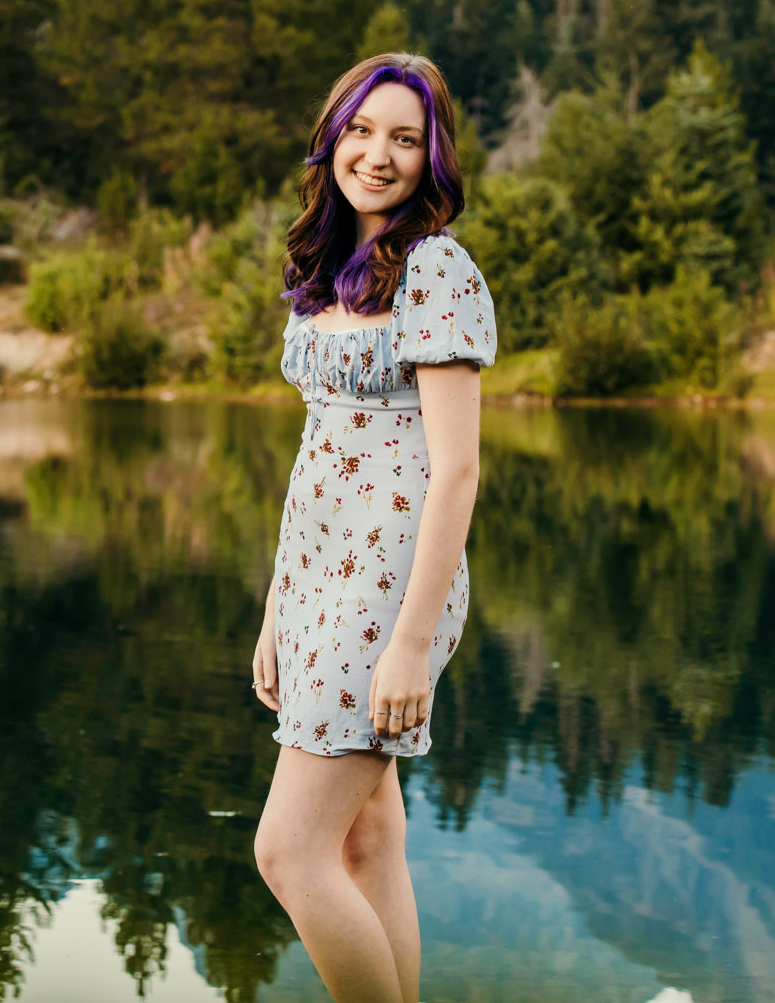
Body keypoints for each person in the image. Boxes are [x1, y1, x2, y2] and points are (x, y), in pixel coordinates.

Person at [250, 52, 497, 1003]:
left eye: (406, 138)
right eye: (363, 131)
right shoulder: (326, 271)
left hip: (390, 583)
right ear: (333, 139)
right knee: (365, 836)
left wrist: (408, 643)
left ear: (433, 158)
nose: (379, 155)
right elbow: (316, 458)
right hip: (318, 573)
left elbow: (458, 470)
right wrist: (278, 605)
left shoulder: (436, 268)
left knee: (288, 849)